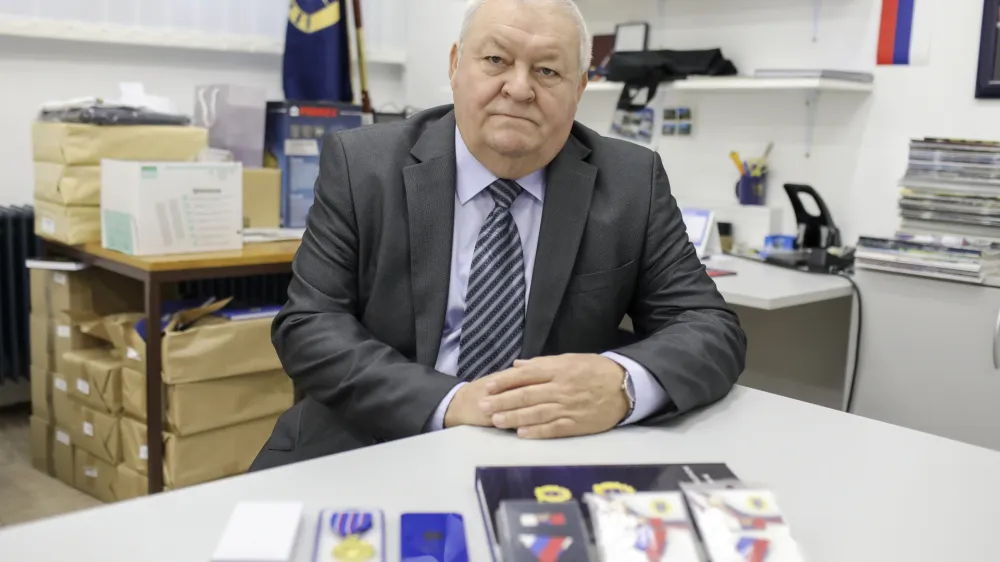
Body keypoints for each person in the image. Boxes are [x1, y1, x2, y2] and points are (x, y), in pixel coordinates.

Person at [250, 0, 746, 470]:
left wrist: (622, 384)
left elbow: (708, 325)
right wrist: (450, 403)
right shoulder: (362, 165)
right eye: (496, 60)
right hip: (369, 441)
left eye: (547, 71)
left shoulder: (631, 181)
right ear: (455, 65)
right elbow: (310, 324)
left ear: (579, 87)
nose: (520, 88)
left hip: (546, 456)